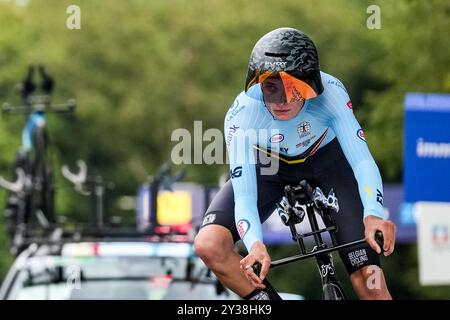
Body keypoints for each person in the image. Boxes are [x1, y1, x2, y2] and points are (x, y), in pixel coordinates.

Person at [194, 27, 396, 300]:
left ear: (311, 83)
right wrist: (255, 245)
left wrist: (373, 213)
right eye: (270, 88)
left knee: (369, 281)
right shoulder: (244, 113)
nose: (281, 101)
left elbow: (361, 160)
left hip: (328, 163)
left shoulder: (332, 94)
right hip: (270, 167)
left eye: (293, 88)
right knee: (209, 244)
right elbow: (244, 196)